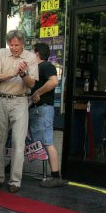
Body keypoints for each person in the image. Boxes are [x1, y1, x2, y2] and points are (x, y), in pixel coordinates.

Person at [0, 30, 38, 193]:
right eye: (11, 45)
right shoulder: (2, 53)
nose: (13, 48)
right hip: (2, 99)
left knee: (18, 142)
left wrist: (23, 74)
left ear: (23, 44)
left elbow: (32, 84)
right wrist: (14, 73)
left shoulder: (31, 57)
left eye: (16, 45)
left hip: (20, 101)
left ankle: (15, 181)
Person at [30, 42, 65, 188]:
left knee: (47, 141)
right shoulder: (36, 68)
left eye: (32, 52)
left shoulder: (45, 66)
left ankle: (56, 176)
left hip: (43, 109)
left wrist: (38, 93)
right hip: (37, 110)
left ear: (37, 53)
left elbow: (54, 81)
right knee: (31, 140)